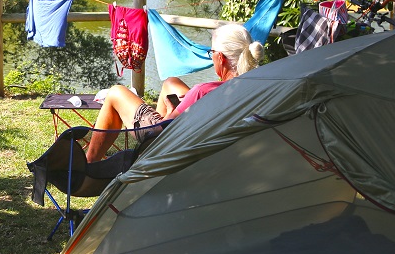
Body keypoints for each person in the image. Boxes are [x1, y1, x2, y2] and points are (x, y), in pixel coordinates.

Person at [85, 23, 264, 162]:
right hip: (214, 140)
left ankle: (89, 164)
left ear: (220, 58)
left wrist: (172, 112)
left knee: (116, 92)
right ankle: (147, 159)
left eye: (211, 53)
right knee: (171, 83)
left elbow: (158, 132)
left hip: (168, 142)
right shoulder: (258, 88)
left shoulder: (202, 92)